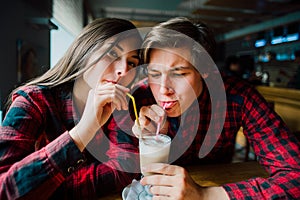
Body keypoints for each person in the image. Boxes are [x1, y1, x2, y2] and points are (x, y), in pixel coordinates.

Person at [126, 17, 300, 199]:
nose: (163, 89)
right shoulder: (140, 97)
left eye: (178, 74)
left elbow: (295, 175)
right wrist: (140, 141)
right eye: (154, 74)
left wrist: (206, 195)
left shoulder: (238, 96)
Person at [0, 18, 143, 199]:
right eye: (112, 53)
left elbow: (124, 169)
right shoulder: (33, 101)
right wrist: (82, 132)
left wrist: (46, 187)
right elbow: (3, 190)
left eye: (132, 62)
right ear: (84, 52)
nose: (124, 70)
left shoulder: (120, 103)